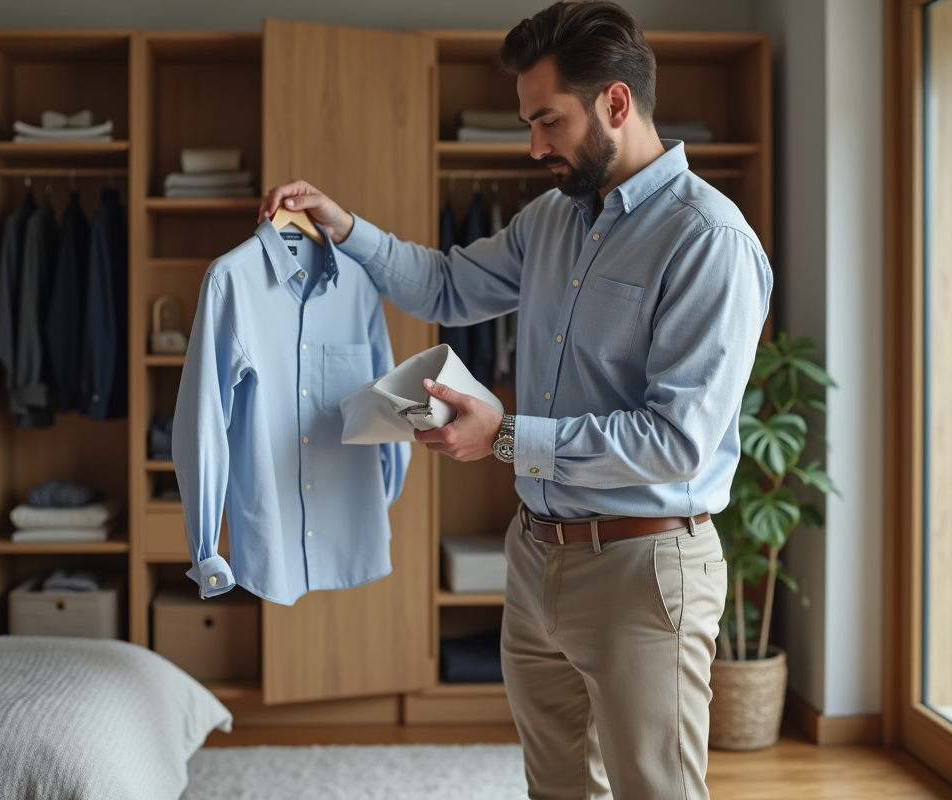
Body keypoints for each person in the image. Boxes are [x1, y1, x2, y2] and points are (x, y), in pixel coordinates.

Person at [258, 2, 772, 796]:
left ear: (615, 104)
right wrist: (346, 226)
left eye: (548, 121)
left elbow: (677, 441)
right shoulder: (553, 218)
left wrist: (505, 436)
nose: (535, 146)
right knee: (555, 788)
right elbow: (447, 284)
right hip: (537, 558)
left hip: (644, 566)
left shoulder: (709, 241)